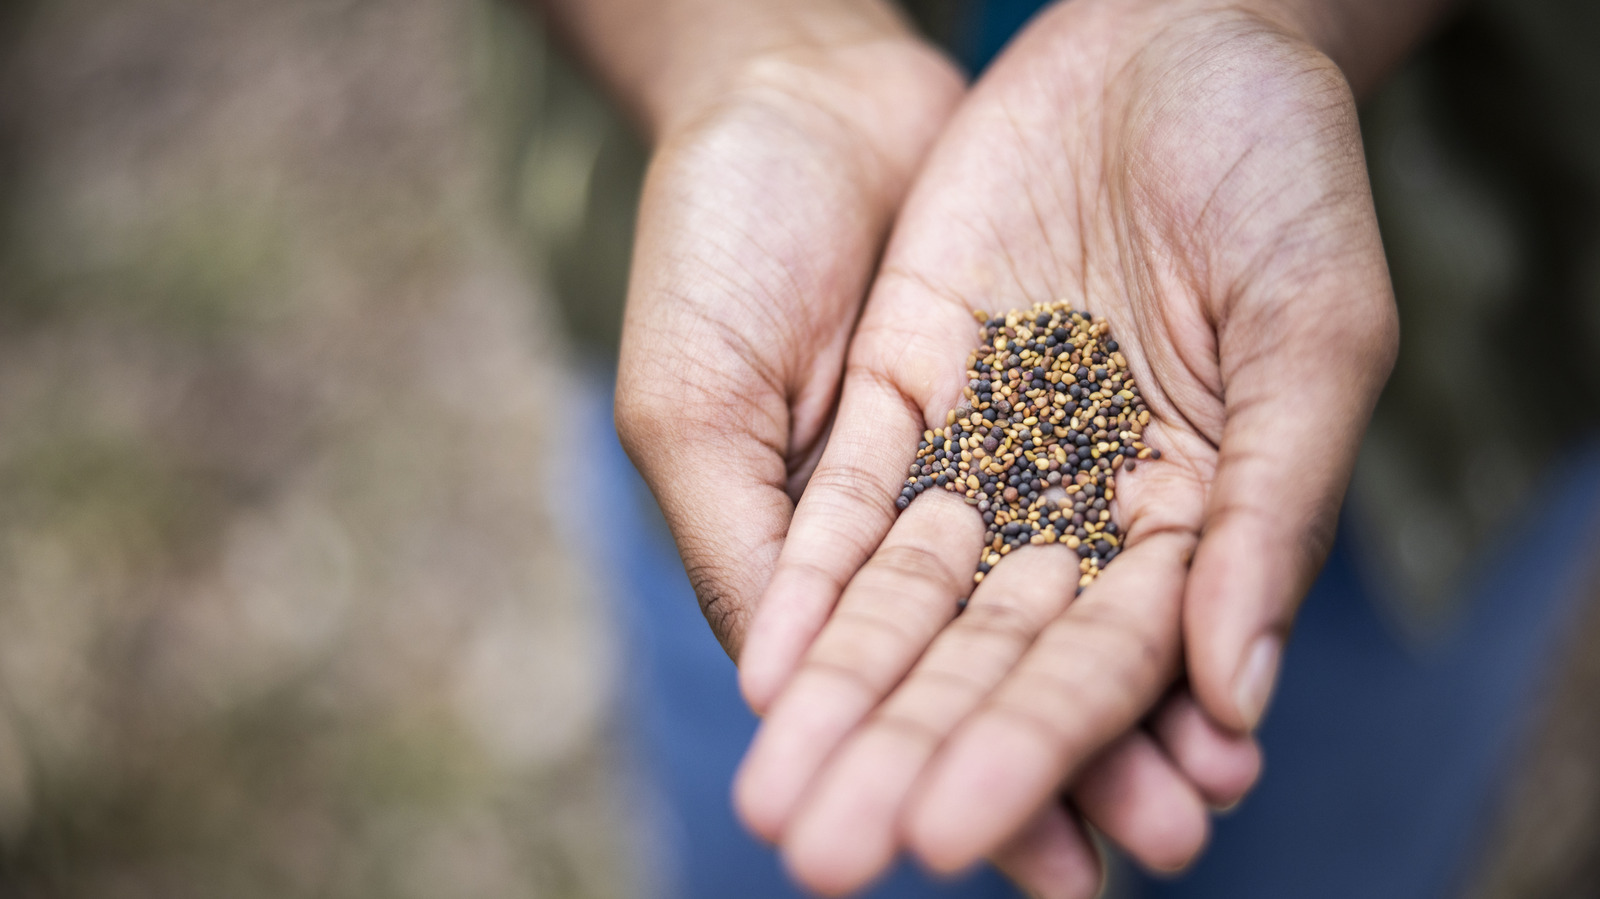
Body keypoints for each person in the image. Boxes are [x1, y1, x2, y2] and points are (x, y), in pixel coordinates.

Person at [537, 0, 1449, 894]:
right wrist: (753, 48)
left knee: (1326, 838)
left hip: (1454, 374)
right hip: (817, 413)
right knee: (822, 777)